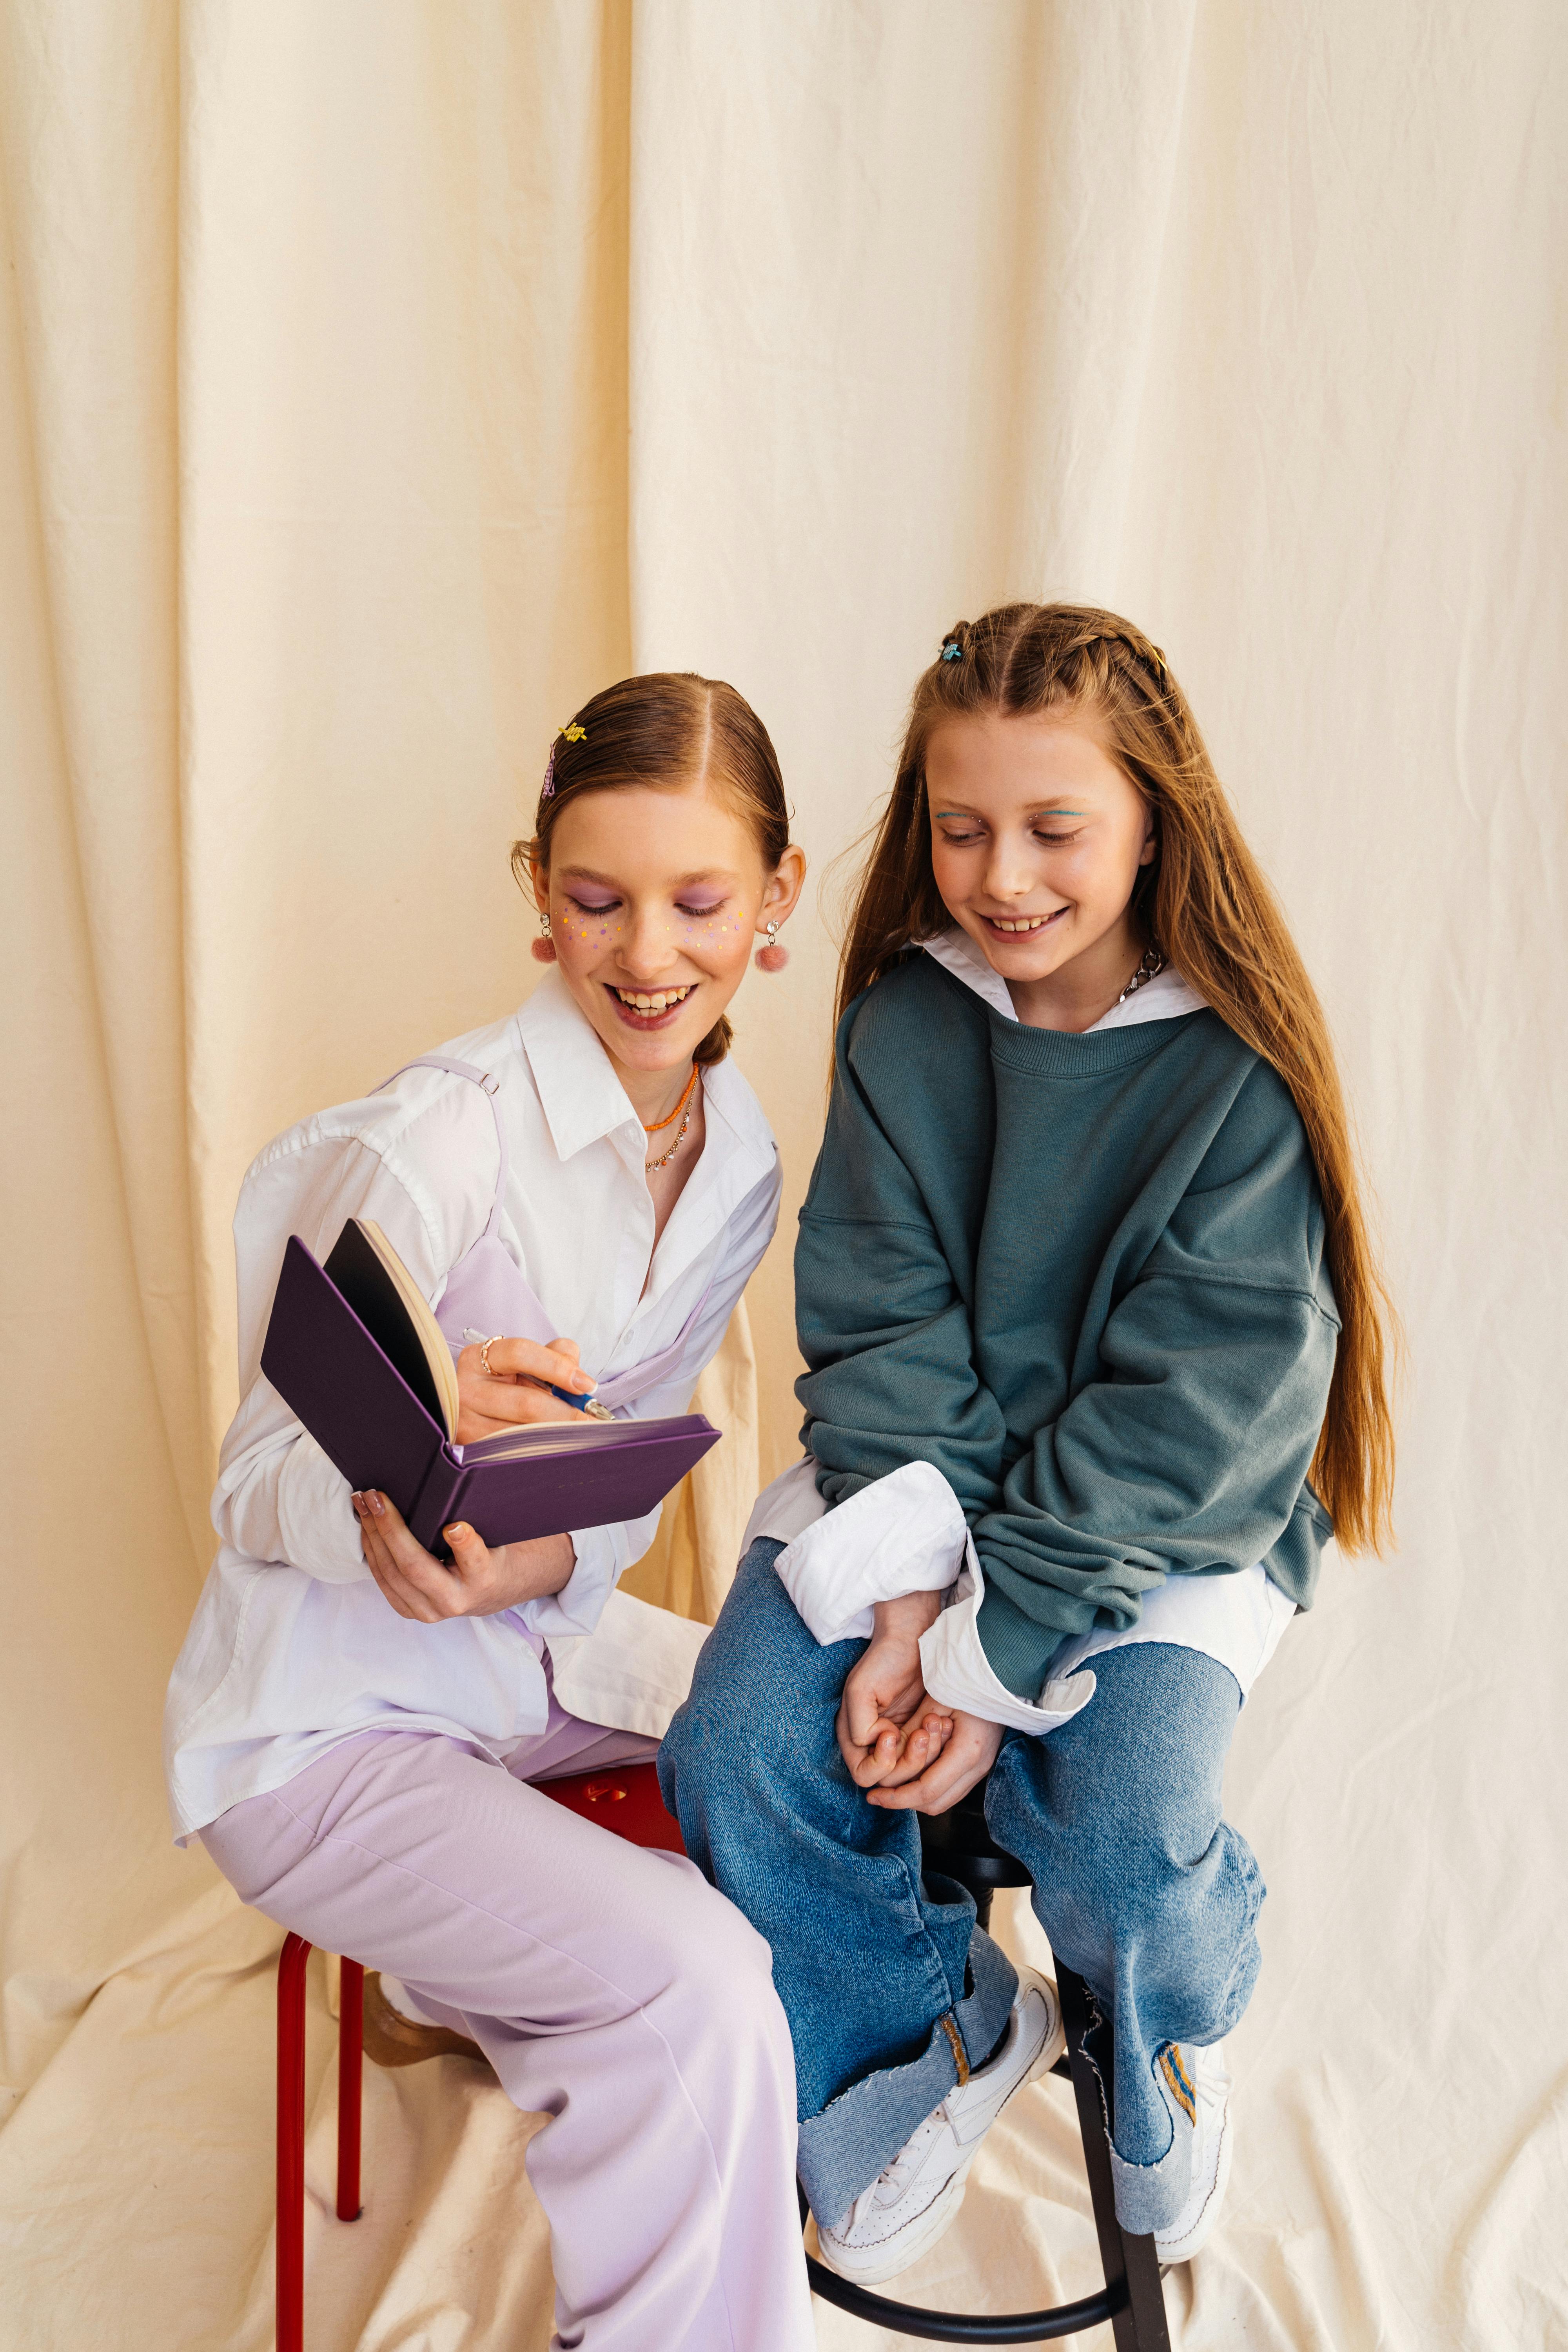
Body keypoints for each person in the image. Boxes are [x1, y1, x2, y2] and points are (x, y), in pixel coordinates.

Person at [661, 603, 1397, 2285]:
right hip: (912, 1491)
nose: (1001, 875)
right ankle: (915, 2033)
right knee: (739, 1750)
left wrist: (984, 1674)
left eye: (1054, 827)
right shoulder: (909, 1026)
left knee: (1123, 1825)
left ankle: (1169, 2030)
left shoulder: (1232, 1076)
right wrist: (915, 1607)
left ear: (1153, 820)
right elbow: (879, 1325)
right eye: (960, 825)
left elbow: (1191, 1419)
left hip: (1153, 1533)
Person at [163, 672, 815, 2352]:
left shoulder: (735, 1159)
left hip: (523, 1675)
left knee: (811, 1748)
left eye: (697, 902)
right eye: (597, 900)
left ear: (778, 902)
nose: (647, 954)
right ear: (539, 894)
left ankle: (829, 2123)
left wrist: (526, 1551)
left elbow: (601, 1501)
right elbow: (251, 1476)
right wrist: (388, 1485)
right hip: (323, 1738)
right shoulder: (441, 1134)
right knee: (695, 1986)